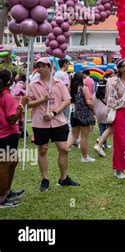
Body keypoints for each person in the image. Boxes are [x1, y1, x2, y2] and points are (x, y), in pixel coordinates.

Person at [27, 57, 79, 191]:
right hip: (40, 122)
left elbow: (67, 100)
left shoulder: (59, 83)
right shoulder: (32, 85)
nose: (40, 68)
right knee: (42, 149)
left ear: (49, 67)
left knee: (63, 149)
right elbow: (28, 103)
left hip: (58, 121)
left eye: (43, 66)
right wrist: (42, 100)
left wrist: (54, 113)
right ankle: (45, 179)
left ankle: (63, 178)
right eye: (38, 66)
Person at [0, 69, 27, 208]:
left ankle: (6, 191)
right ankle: (2, 199)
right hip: (6, 134)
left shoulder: (5, 95)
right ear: (9, 81)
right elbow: (11, 119)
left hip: (6, 134)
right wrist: (22, 106)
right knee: (5, 165)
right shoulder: (7, 97)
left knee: (12, 162)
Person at [67, 72, 96, 162]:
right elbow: (89, 102)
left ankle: (63, 151)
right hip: (84, 114)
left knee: (73, 136)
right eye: (84, 78)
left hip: (74, 114)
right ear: (81, 79)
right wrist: (93, 109)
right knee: (84, 137)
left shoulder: (71, 89)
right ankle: (85, 157)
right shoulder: (84, 89)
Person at [93, 79, 111, 157]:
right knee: (109, 129)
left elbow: (93, 103)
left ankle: (104, 144)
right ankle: (101, 142)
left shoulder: (94, 94)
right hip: (106, 113)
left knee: (102, 129)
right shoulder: (107, 94)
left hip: (98, 113)